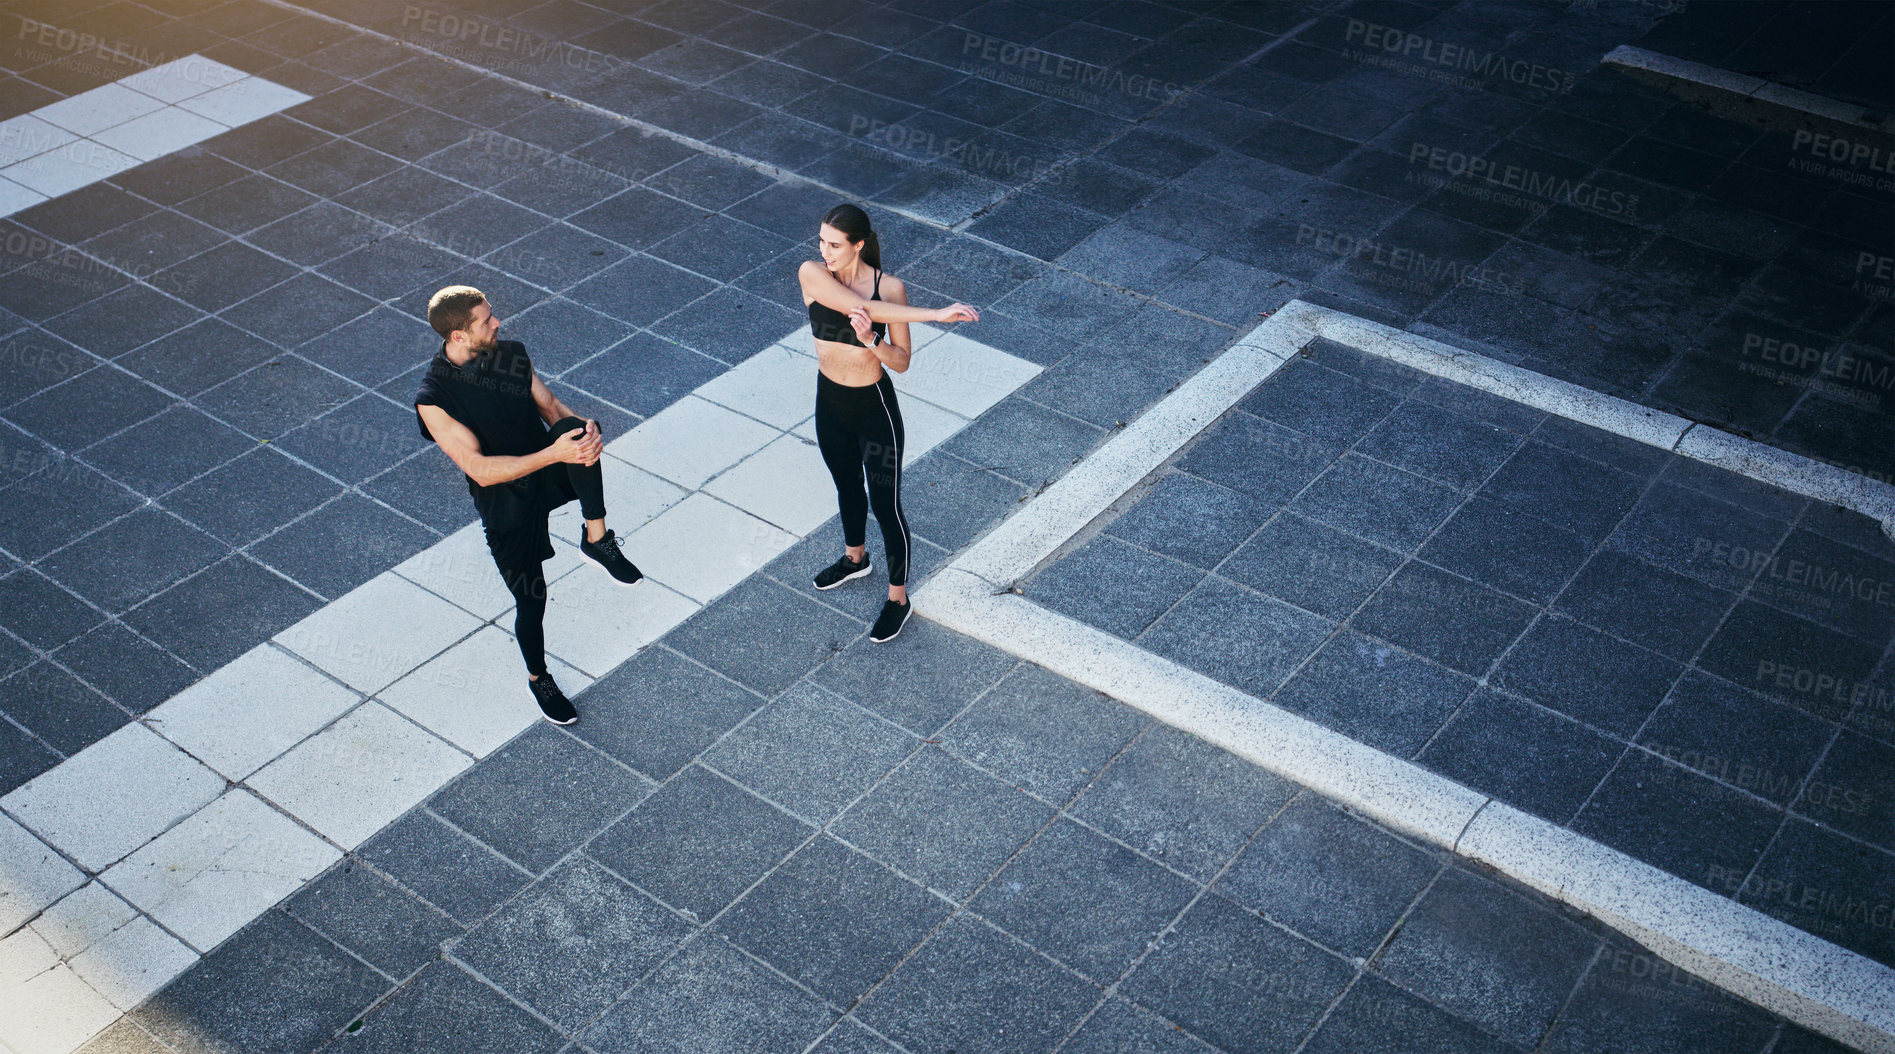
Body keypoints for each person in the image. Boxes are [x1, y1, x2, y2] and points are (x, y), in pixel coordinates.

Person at [413, 286, 642, 725]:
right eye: (485, 321)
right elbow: (478, 468)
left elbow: (552, 408)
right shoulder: (434, 397)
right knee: (531, 600)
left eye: (491, 315)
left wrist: (584, 433)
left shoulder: (511, 353)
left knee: (573, 428)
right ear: (458, 336)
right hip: (505, 499)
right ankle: (539, 678)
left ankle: (597, 539)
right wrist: (553, 454)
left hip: (546, 467)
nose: (496, 323)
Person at [800, 204, 979, 643]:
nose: (826, 251)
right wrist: (935, 313)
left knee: (885, 505)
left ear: (858, 244)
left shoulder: (891, 288)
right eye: (822, 241)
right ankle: (855, 559)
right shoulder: (812, 273)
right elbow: (859, 305)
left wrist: (872, 339)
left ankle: (898, 599)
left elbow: (900, 363)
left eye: (836, 245)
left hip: (873, 409)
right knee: (846, 487)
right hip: (830, 404)